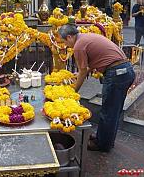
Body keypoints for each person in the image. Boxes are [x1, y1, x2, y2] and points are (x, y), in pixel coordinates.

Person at [58, 24, 135, 152]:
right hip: (125, 71)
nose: (66, 45)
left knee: (109, 112)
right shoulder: (86, 37)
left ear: (70, 37)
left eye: (65, 41)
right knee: (113, 111)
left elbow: (83, 71)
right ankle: (104, 139)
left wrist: (73, 92)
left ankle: (103, 145)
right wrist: (82, 72)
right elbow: (96, 60)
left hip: (116, 74)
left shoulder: (78, 46)